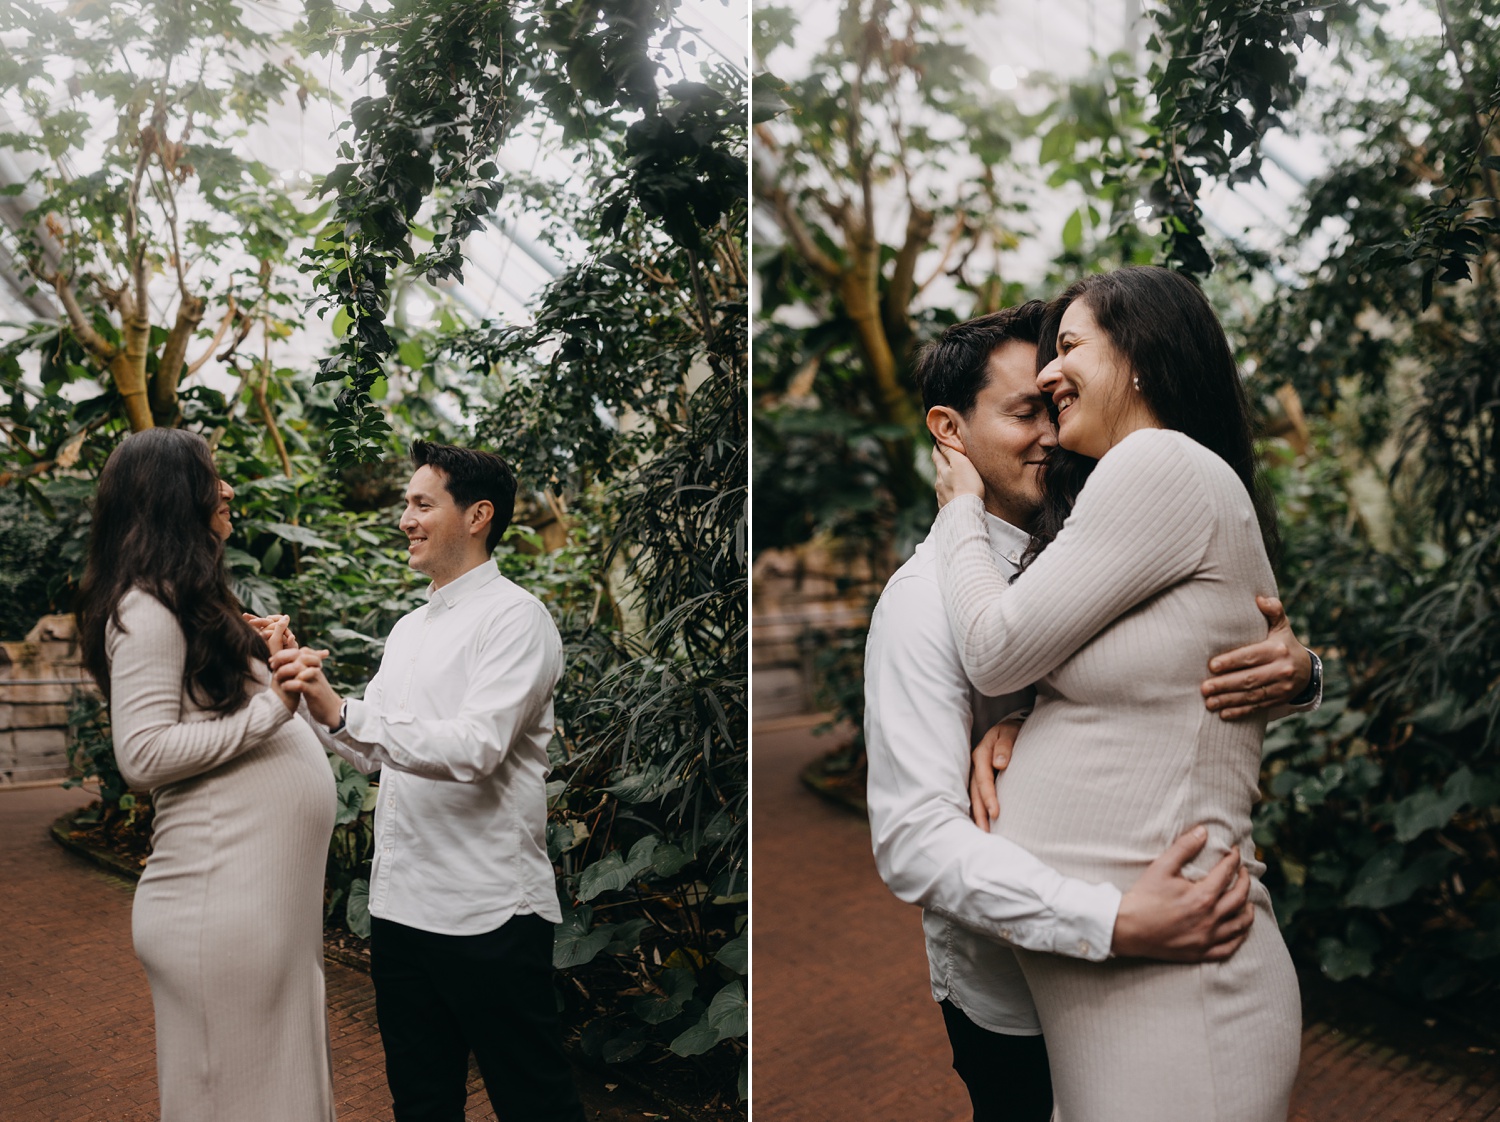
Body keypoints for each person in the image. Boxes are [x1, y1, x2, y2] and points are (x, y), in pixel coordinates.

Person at [865, 301, 1318, 1122]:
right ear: (950, 429)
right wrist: (1108, 919)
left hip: (1160, 966)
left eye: (1057, 398)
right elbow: (914, 841)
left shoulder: (1109, 523)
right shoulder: (921, 604)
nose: (1050, 424)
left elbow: (1177, 699)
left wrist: (1300, 673)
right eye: (1024, 411)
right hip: (1019, 999)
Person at [265, 440, 586, 1122]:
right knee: (420, 1101)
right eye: (405, 505)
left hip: (489, 910)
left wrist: (344, 710)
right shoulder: (410, 629)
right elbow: (371, 750)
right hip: (400, 911)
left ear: (478, 516)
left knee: (534, 1102)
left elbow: (477, 748)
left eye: (421, 504)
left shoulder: (517, 618)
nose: (404, 520)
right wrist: (301, 684)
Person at [76, 428, 336, 1122]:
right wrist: (273, 708)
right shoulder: (144, 607)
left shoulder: (186, 603)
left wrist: (265, 659)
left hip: (258, 905)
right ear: (172, 495)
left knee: (273, 1092)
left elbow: (216, 717)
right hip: (219, 903)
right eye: (211, 476)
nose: (226, 489)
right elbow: (143, 756)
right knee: (242, 1098)